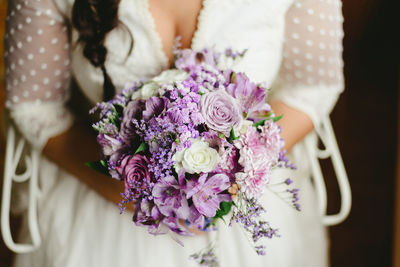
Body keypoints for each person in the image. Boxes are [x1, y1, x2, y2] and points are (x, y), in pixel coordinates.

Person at [2, 0, 346, 266]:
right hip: (104, 206)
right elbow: (34, 105)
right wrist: (133, 189)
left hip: (246, 203)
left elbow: (311, 87)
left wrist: (237, 168)